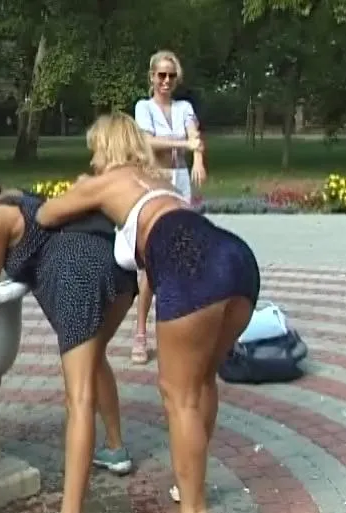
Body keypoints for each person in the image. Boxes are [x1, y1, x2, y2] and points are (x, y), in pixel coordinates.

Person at [35, 112, 260, 513]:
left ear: (106, 148)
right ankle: (191, 488)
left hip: (189, 261)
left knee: (179, 397)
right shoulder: (162, 184)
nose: (92, 160)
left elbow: (44, 214)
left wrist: (82, 187)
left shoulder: (105, 182)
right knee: (201, 381)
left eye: (94, 151)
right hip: (236, 258)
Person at [0, 148, 138, 513]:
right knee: (95, 358)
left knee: (77, 400)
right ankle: (115, 449)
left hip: (75, 279)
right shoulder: (13, 198)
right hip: (114, 268)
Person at [130, 50, 207, 364]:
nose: (166, 81)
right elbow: (149, 142)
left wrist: (198, 158)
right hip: (154, 182)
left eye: (171, 76)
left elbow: (195, 136)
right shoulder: (144, 107)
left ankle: (181, 331)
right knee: (152, 260)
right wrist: (185, 145)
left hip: (180, 182)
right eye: (161, 75)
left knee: (182, 255)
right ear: (152, 77)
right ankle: (140, 332)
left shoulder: (184, 107)